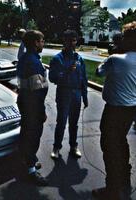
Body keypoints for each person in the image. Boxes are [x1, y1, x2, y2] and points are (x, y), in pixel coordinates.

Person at [92, 21, 136, 200]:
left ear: (129, 39)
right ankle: (125, 176)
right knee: (121, 142)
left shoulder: (115, 59)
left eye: (124, 36)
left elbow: (98, 72)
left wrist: (111, 56)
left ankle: (112, 190)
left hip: (114, 110)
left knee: (108, 148)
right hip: (131, 109)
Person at [48, 30, 88, 160]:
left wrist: (85, 96)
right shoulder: (57, 59)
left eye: (74, 40)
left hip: (76, 93)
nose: (72, 43)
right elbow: (52, 78)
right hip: (64, 92)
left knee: (74, 122)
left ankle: (73, 146)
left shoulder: (79, 58)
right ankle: (56, 147)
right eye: (69, 40)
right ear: (64, 42)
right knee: (61, 121)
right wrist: (67, 71)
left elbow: (84, 79)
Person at [16, 30, 48, 186]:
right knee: (32, 137)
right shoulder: (34, 63)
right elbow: (37, 91)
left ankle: (27, 161)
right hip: (33, 107)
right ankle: (30, 170)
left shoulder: (24, 59)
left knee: (25, 134)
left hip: (24, 102)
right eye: (42, 41)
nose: (43, 43)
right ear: (36, 43)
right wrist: (41, 112)